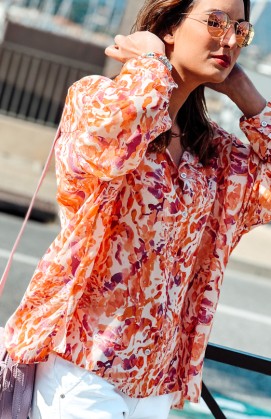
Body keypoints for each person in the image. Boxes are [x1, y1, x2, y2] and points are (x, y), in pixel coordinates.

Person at [4, 0, 271, 418]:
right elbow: (110, 142)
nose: (230, 40)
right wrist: (151, 64)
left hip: (158, 385)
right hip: (84, 369)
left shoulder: (216, 154)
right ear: (169, 26)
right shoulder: (97, 98)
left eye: (240, 29)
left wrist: (249, 97)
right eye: (216, 22)